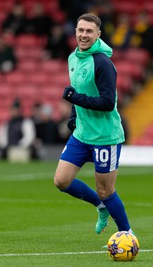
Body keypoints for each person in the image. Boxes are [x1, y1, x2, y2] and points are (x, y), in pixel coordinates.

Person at [54, 13, 133, 237]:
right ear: (75, 32)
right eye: (81, 30)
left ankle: (127, 233)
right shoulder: (73, 58)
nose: (84, 35)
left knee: (106, 190)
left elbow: (108, 103)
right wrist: (73, 115)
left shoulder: (102, 63)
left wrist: (74, 100)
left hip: (104, 136)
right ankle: (101, 207)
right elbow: (77, 91)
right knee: (61, 181)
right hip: (82, 133)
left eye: (89, 31)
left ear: (98, 34)